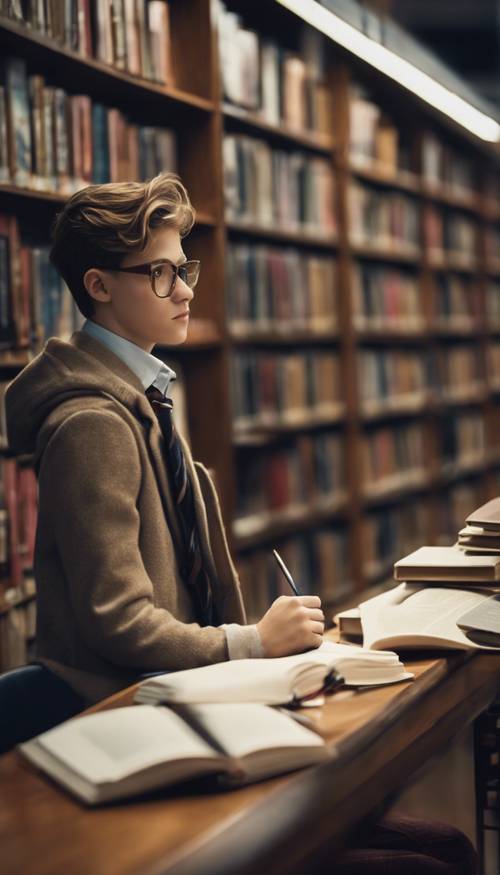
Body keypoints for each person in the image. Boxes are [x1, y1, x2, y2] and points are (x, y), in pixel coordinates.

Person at [4, 172, 324, 709]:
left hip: (168, 689)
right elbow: (118, 620)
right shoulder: (93, 423)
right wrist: (253, 641)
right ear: (99, 286)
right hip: (119, 707)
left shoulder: (140, 394)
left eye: (182, 269)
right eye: (159, 273)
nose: (185, 289)